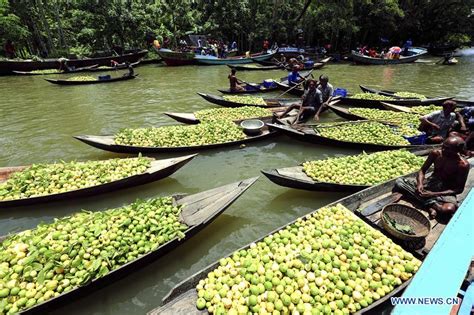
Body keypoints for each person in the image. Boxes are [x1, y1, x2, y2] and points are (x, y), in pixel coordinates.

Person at [394, 136, 470, 219]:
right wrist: (420, 184)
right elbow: (422, 170)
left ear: (457, 150)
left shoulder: (463, 165)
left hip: (445, 190)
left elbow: (459, 189)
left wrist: (433, 194)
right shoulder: (436, 153)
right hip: (430, 183)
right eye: (443, 146)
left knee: (448, 209)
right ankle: (431, 205)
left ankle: (426, 202)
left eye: (448, 148)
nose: (443, 150)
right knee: (399, 182)